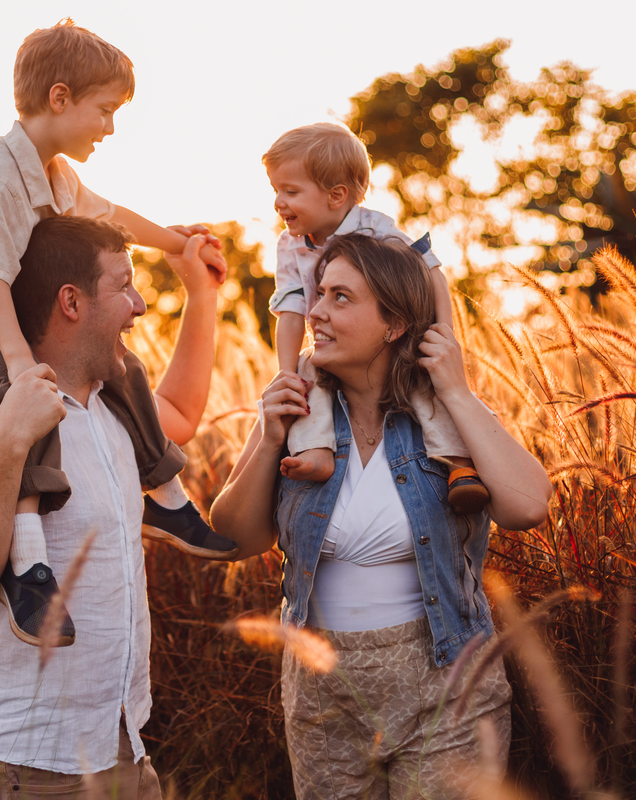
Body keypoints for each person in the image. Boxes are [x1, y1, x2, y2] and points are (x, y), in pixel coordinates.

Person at [0, 20, 236, 649]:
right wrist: (19, 362)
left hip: (21, 323)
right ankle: (28, 565)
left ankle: (165, 495)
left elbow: (110, 214)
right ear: (60, 98)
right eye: (106, 110)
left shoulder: (56, 175)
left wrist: (176, 242)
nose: (110, 127)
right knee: (28, 401)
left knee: (127, 366)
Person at [210, 234, 551, 799]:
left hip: (447, 685)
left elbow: (529, 507)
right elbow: (235, 539)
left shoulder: (443, 418)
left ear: (394, 324)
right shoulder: (299, 414)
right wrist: (268, 439)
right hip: (323, 698)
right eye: (319, 294)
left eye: (340, 297)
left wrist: (459, 392)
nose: (315, 312)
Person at [0, 215, 221, 798]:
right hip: (17, 767)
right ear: (71, 302)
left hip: (123, 755)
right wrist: (10, 440)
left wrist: (201, 292)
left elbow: (181, 412)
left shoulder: (112, 415)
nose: (139, 305)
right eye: (124, 285)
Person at [263, 123, 489, 514]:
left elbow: (432, 272)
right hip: (333, 343)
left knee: (427, 385)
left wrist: (443, 333)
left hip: (395, 336)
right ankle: (316, 451)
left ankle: (459, 464)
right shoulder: (289, 245)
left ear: (336, 195)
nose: (278, 202)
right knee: (307, 378)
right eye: (275, 191)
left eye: (290, 192)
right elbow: (290, 308)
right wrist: (287, 372)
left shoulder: (375, 228)